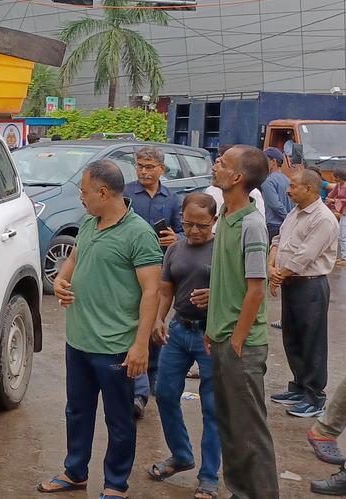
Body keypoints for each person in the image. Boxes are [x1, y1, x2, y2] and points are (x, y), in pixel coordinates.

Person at [37, 160, 161, 499]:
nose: (81, 198)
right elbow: (75, 258)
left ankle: (115, 485)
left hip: (116, 346)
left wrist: (141, 346)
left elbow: (152, 291)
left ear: (104, 193)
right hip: (79, 340)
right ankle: (75, 471)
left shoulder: (139, 234)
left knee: (119, 421)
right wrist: (62, 279)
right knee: (77, 410)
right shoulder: (90, 222)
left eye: (84, 192)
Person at [205, 144, 280, 498]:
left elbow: (255, 290)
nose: (215, 165)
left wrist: (236, 339)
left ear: (236, 177)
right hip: (222, 338)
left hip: (242, 346)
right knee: (231, 428)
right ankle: (239, 492)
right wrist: (213, 327)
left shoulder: (251, 224)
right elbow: (226, 282)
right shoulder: (224, 213)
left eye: (222, 163)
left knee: (250, 431)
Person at [147, 192, 220, 499]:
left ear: (214, 222)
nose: (193, 231)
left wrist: (214, 298)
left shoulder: (222, 251)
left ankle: (209, 476)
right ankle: (181, 455)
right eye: (188, 224)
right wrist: (159, 319)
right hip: (178, 330)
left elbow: (244, 291)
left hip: (211, 335)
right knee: (164, 393)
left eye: (201, 226)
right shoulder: (175, 249)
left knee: (212, 408)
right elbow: (166, 290)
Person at [268, 168, 338, 418]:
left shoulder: (323, 218)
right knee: (292, 337)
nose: (288, 190)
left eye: (293, 185)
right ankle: (299, 387)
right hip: (292, 282)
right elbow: (278, 241)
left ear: (309, 189)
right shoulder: (295, 213)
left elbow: (305, 256)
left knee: (312, 341)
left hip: (310, 285)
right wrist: (271, 267)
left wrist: (279, 274)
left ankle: (315, 396)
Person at [124, 146, 182, 416]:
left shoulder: (171, 198)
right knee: (131, 323)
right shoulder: (125, 193)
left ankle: (152, 379)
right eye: (140, 166)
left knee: (156, 323)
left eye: (149, 167)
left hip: (160, 270)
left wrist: (176, 238)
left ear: (161, 169)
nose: (144, 171)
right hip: (127, 269)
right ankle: (137, 387)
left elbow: (185, 230)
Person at [204, 144, 265, 231]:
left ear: (237, 178)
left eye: (223, 165)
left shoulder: (253, 226)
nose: (214, 168)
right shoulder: (224, 212)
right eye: (217, 162)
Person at [260, 146, 293, 241]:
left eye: (264, 160)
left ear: (273, 162)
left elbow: (275, 204)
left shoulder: (268, 181)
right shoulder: (287, 179)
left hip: (273, 226)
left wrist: (287, 217)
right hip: (285, 225)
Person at [325, 168, 346, 260]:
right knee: (341, 235)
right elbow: (331, 195)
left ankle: (345, 258)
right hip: (342, 212)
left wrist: (334, 200)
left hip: (344, 212)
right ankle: (343, 256)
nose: (333, 177)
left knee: (343, 235)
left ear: (339, 177)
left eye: (335, 176)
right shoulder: (338, 185)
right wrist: (328, 199)